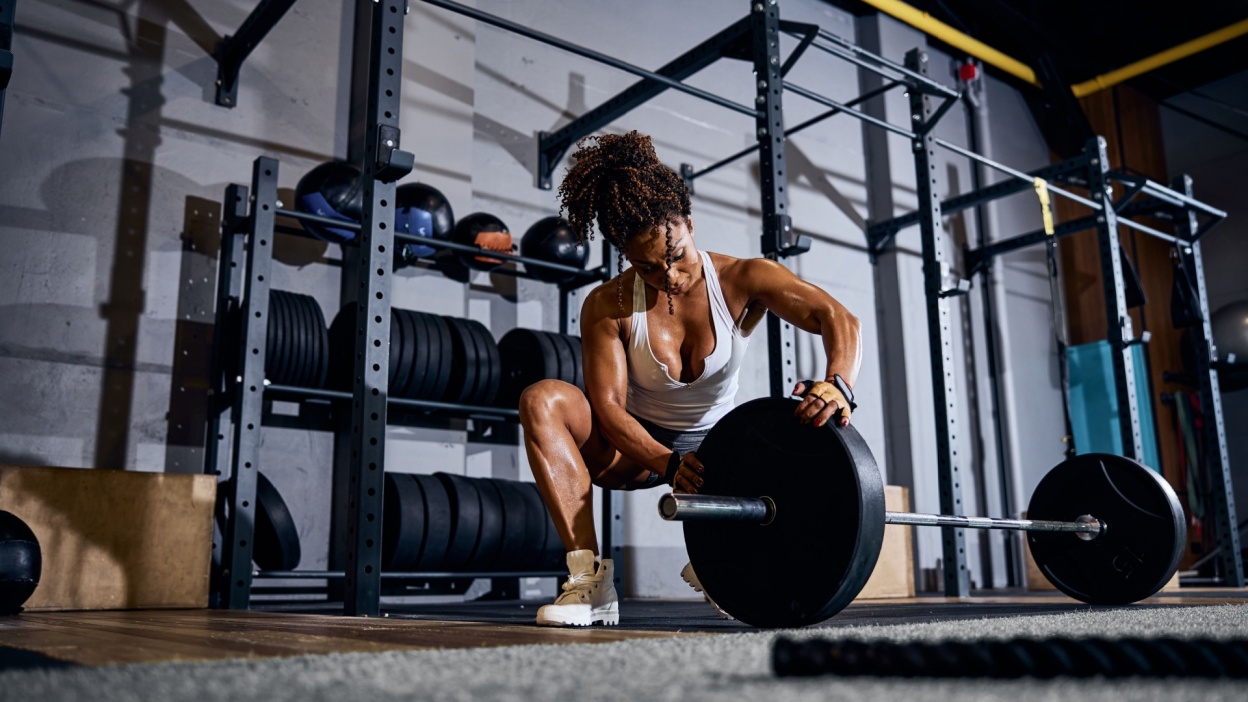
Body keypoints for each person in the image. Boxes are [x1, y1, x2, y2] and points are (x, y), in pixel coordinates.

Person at [520, 131, 862, 627]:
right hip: (635, 450)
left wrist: (839, 384)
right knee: (541, 400)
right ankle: (589, 582)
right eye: (647, 267)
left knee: (794, 426)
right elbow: (610, 408)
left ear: (689, 225)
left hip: (725, 459)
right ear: (625, 257)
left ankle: (721, 556)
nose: (669, 276)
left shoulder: (744, 279)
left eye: (675, 254)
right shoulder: (607, 305)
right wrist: (668, 462)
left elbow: (838, 317)